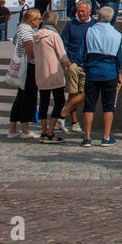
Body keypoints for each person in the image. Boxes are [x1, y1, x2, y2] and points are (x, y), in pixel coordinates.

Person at [80, 6, 122, 146]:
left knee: (89, 105)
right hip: (109, 71)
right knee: (108, 106)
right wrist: (119, 74)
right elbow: (118, 57)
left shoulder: (90, 31)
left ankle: (87, 137)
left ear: (98, 16)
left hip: (93, 70)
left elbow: (84, 51)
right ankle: (106, 137)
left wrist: (85, 65)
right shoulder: (116, 34)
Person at [33, 10, 72, 143]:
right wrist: (68, 65)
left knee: (43, 102)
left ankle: (43, 131)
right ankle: (51, 131)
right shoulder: (53, 35)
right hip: (54, 73)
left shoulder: (36, 35)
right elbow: (62, 55)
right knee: (59, 101)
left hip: (40, 72)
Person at [60, 0, 95, 133]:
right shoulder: (71, 25)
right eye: (78, 11)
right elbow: (63, 44)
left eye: (82, 11)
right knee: (73, 92)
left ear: (89, 12)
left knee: (84, 93)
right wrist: (68, 63)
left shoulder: (94, 25)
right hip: (73, 62)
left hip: (87, 63)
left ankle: (62, 114)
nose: (80, 13)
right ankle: (74, 121)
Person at [7, 9, 40, 139]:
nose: (39, 21)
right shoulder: (27, 31)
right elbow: (30, 51)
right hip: (29, 67)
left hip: (22, 66)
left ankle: (13, 127)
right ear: (32, 20)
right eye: (38, 18)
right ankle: (25, 129)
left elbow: (15, 42)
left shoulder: (20, 29)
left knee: (20, 97)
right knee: (28, 97)